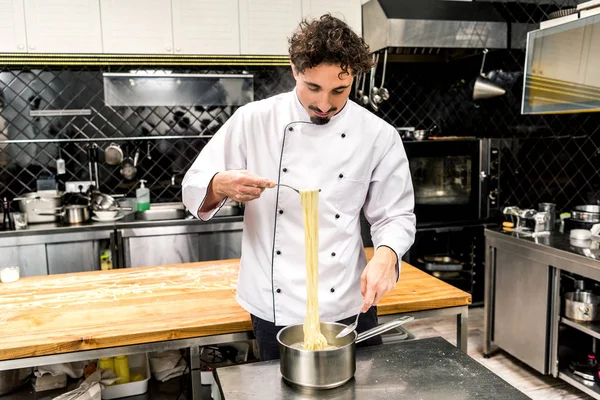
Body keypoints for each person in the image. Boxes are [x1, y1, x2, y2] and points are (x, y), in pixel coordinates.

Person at [182, 14, 416, 361]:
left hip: (349, 301)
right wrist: (220, 184)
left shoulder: (378, 135)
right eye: (313, 88)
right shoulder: (254, 120)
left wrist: (388, 254)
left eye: (340, 90)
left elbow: (395, 215)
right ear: (294, 69)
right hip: (273, 304)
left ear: (353, 77)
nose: (325, 104)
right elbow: (195, 184)